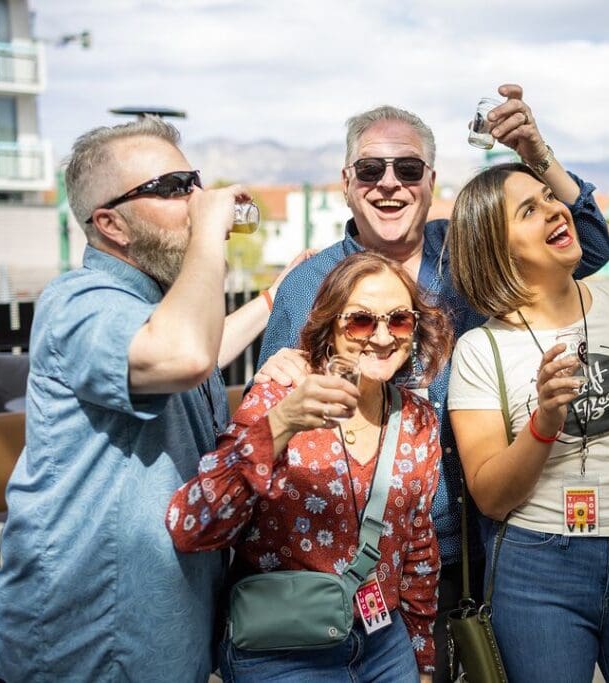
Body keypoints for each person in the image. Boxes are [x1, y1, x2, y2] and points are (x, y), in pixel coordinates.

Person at [255, 84, 609, 681]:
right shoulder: (309, 285)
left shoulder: (466, 253)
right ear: (346, 181)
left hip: (468, 550)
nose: (389, 182)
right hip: (346, 565)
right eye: (371, 168)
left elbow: (591, 248)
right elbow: (269, 431)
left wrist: (533, 150)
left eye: (408, 168)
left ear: (430, 181)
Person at [0, 117, 308, 681]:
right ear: (112, 223)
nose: (196, 200)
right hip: (92, 637)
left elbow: (200, 356)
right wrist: (208, 236)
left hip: (163, 630)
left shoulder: (158, 312)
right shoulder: (80, 301)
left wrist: (274, 296)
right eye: (171, 188)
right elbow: (184, 355)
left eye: (194, 181)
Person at [168, 252, 452, 682]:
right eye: (360, 321)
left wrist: (422, 662)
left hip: (384, 645)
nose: (380, 337)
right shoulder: (277, 399)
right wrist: (283, 423)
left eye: (398, 320)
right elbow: (194, 525)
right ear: (329, 326)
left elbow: (417, 549)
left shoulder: (417, 420)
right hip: (283, 649)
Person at [446, 163, 609, 682]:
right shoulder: (480, 348)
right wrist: (544, 420)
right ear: (495, 246)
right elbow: (490, 496)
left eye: (550, 197)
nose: (555, 209)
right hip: (538, 566)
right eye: (529, 210)